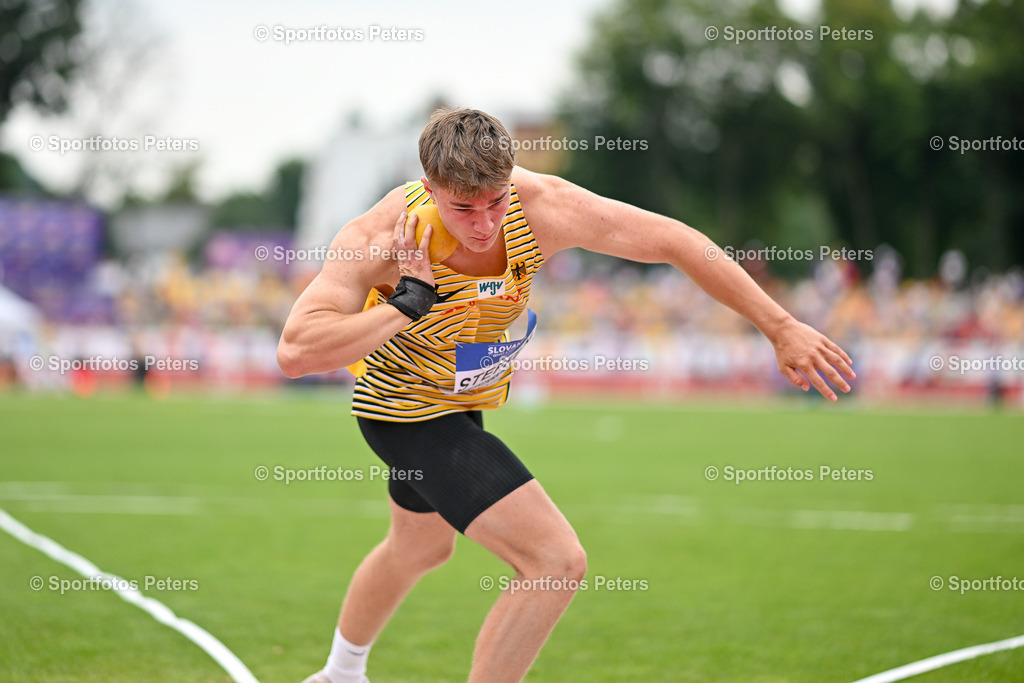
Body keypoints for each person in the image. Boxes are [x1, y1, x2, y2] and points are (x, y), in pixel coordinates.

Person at [277, 107, 855, 683]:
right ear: (429, 188)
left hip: (462, 400)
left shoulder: (540, 206)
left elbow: (677, 242)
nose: (484, 224)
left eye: (496, 202)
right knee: (554, 562)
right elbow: (297, 351)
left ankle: (338, 675)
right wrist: (407, 305)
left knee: (421, 549)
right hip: (405, 410)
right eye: (462, 208)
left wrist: (780, 326)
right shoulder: (380, 238)